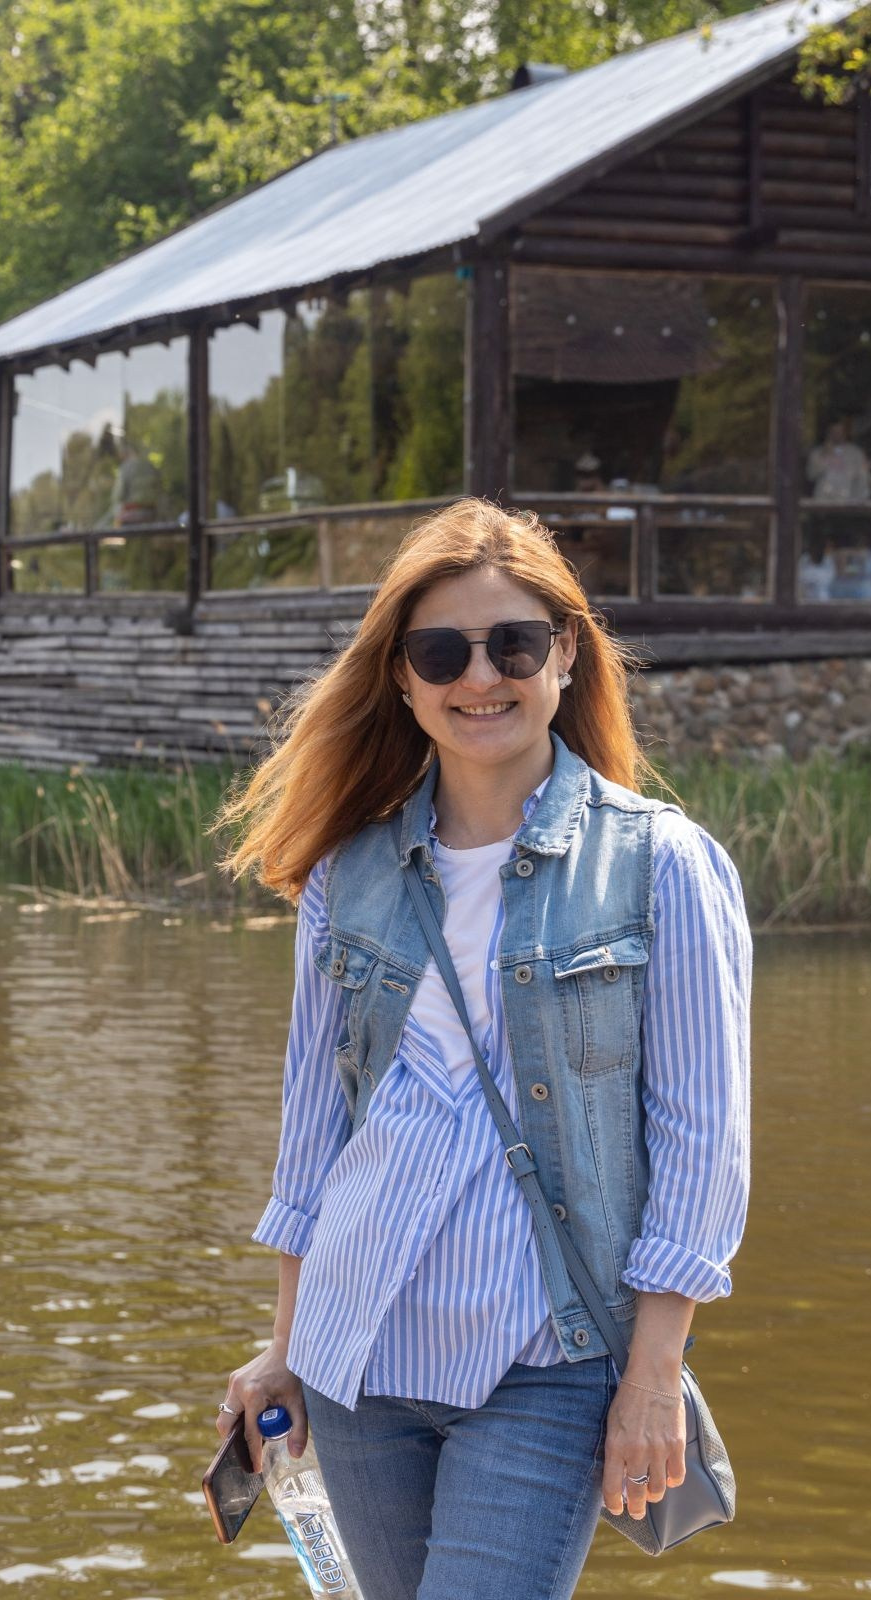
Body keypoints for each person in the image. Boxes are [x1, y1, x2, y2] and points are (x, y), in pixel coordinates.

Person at [211, 498, 751, 1600]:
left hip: (548, 1363)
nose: (479, 676)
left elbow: (702, 1143)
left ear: (564, 653)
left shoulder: (662, 864)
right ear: (402, 678)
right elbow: (314, 1136)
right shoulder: (344, 876)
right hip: (359, 1356)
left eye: (512, 643)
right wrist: (284, 1344)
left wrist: (655, 1372)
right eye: (441, 650)